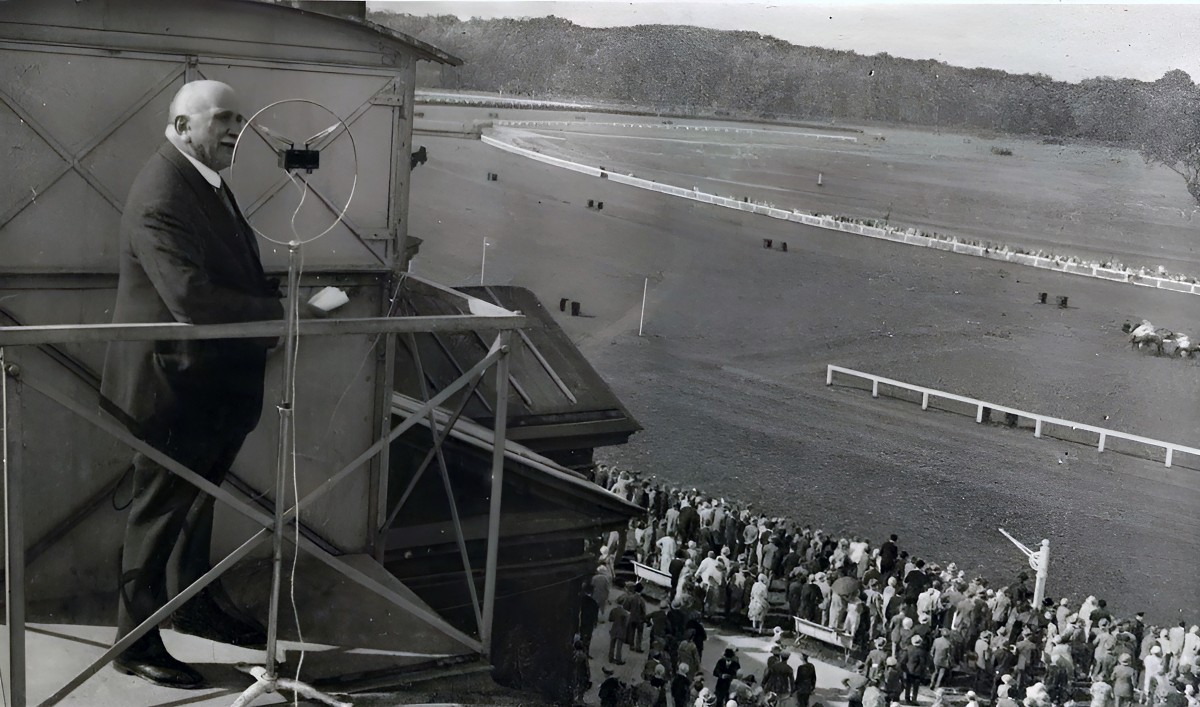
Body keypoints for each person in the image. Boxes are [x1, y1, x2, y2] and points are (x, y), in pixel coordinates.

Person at [100, 79, 284, 689]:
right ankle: (133, 642)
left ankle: (193, 600)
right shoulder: (163, 191)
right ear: (182, 127)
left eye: (241, 119)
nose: (238, 130)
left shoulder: (201, 180)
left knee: (196, 502)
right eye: (224, 119)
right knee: (158, 515)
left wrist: (269, 301)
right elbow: (188, 297)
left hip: (205, 386)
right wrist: (274, 314)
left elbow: (223, 271)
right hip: (171, 387)